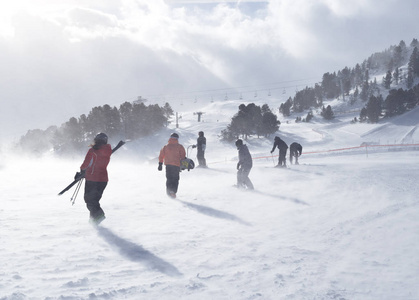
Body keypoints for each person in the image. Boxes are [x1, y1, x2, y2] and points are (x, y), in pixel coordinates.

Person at [78, 133, 112, 225]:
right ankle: (93, 221)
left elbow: (86, 163)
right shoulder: (108, 150)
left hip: (92, 179)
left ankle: (99, 215)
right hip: (103, 180)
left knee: (90, 200)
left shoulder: (92, 151)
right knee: (94, 201)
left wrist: (81, 171)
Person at [158, 133, 186, 198]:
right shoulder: (180, 146)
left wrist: (160, 164)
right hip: (176, 165)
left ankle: (168, 192)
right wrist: (183, 165)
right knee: (175, 179)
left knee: (169, 178)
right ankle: (173, 192)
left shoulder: (166, 146)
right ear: (177, 139)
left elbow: (161, 156)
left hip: (168, 165)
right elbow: (183, 156)